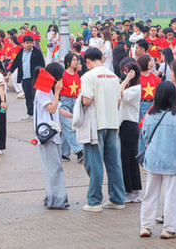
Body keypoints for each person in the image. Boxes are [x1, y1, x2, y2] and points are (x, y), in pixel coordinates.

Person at [139, 82, 176, 239]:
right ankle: (169, 228)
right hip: (172, 160)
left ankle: (146, 226)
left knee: (150, 193)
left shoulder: (149, 115)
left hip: (153, 160)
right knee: (172, 195)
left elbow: (144, 135)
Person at [79, 47, 127, 211]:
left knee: (94, 162)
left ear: (87, 61)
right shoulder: (113, 76)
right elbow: (118, 101)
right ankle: (118, 198)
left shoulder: (88, 76)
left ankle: (94, 200)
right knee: (114, 163)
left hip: (96, 124)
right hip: (112, 122)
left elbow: (86, 100)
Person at [34, 62, 71, 209]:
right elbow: (52, 108)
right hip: (46, 135)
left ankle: (53, 196)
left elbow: (59, 109)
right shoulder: (42, 91)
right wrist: (57, 92)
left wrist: (73, 116)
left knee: (56, 167)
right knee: (53, 168)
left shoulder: (48, 90)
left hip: (54, 134)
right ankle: (56, 199)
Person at [119, 61, 143, 203]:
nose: (124, 74)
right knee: (124, 159)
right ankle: (127, 189)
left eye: (126, 72)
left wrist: (127, 79)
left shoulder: (136, 89)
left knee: (129, 159)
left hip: (130, 126)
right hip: (123, 126)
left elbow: (120, 93)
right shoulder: (127, 86)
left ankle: (133, 190)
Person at [9, 34, 46, 121]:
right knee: (28, 96)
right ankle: (30, 113)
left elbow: (42, 65)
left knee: (35, 96)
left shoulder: (37, 52)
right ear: (23, 44)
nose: (29, 44)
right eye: (27, 43)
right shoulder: (21, 52)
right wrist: (9, 73)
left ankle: (38, 113)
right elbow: (15, 63)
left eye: (31, 42)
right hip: (25, 78)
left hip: (35, 78)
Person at [59, 52, 84, 163]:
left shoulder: (76, 75)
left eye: (77, 60)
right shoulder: (63, 74)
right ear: (68, 62)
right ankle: (79, 150)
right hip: (64, 101)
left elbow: (79, 89)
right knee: (69, 126)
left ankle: (64, 153)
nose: (76, 62)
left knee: (67, 128)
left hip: (74, 102)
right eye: (74, 60)